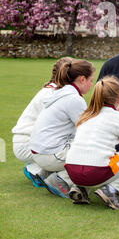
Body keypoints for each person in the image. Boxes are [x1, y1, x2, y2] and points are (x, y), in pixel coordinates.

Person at [65, 76, 119, 209]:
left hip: (72, 171)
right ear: (118, 98)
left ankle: (81, 188)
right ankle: (111, 190)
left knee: (101, 155)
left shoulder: (86, 115)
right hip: (95, 172)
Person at [29, 59, 95, 198]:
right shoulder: (74, 99)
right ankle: (61, 180)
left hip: (38, 152)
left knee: (79, 141)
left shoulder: (61, 92)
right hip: (49, 154)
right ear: (82, 79)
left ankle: (45, 173)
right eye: (91, 80)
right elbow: (87, 130)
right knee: (92, 150)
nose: (91, 85)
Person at [12, 57, 72, 187]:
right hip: (26, 144)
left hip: (24, 141)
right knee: (73, 151)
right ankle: (38, 171)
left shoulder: (53, 90)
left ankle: (36, 169)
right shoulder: (53, 94)